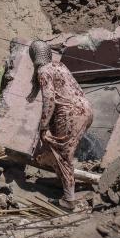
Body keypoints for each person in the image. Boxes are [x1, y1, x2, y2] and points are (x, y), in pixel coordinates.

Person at [29, 40, 93, 210]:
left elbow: (49, 99)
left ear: (34, 56)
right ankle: (65, 185)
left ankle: (69, 199)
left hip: (70, 114)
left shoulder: (44, 71)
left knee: (63, 155)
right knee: (59, 151)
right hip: (85, 109)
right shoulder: (60, 65)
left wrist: (43, 125)